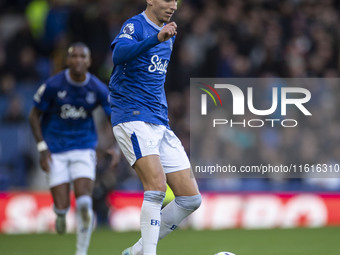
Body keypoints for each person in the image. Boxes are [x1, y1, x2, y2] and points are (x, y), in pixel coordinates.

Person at [109, 1, 201, 255]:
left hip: (159, 121)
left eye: (176, 0)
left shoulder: (168, 34)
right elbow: (118, 56)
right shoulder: (135, 25)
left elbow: (153, 80)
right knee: (157, 187)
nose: (173, 5)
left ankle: (137, 251)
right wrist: (155, 38)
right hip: (132, 116)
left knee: (190, 198)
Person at [29, 42, 112, 255]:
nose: (78, 60)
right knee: (62, 205)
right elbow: (34, 115)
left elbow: (114, 116)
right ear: (67, 61)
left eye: (82, 57)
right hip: (55, 149)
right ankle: (59, 214)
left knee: (85, 203)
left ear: (89, 61)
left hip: (84, 147)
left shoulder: (96, 87)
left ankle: (81, 252)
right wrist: (41, 147)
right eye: (74, 56)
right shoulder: (54, 85)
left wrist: (115, 147)